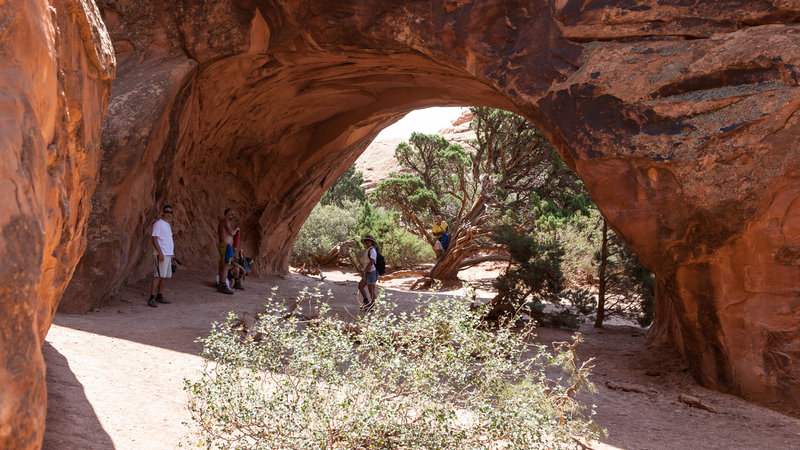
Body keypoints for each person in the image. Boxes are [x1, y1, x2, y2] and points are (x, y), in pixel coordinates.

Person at [149, 205, 176, 307]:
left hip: (168, 254)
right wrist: (160, 253)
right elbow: (154, 238)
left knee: (164, 276)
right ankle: (151, 297)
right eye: (167, 211)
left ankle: (159, 295)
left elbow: (167, 240)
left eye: (170, 212)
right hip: (162, 254)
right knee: (158, 276)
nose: (169, 214)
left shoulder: (167, 225)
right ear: (163, 212)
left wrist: (171, 254)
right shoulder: (158, 224)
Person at [217, 208, 239, 294]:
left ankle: (220, 284)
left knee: (223, 266)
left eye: (233, 214)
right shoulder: (225, 221)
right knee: (226, 266)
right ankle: (223, 285)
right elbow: (231, 233)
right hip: (225, 247)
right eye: (231, 214)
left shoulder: (223, 222)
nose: (232, 216)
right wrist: (237, 229)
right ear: (226, 214)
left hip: (224, 246)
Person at [358, 234, 379, 310]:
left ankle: (374, 306)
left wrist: (364, 271)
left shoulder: (372, 250)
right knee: (360, 286)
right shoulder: (368, 250)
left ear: (372, 242)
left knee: (371, 290)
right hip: (367, 272)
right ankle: (366, 301)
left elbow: (371, 262)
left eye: (369, 241)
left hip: (371, 272)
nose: (367, 242)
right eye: (366, 241)